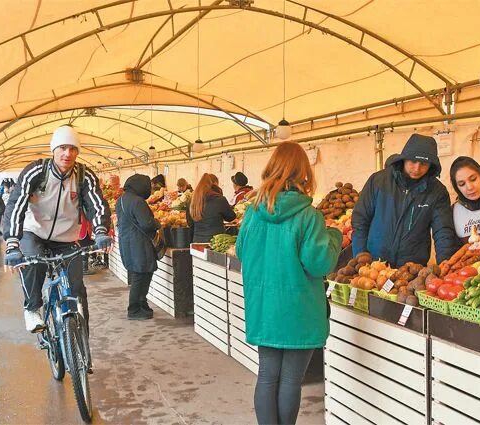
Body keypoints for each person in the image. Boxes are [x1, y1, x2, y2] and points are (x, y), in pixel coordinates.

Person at [236, 142, 342, 425]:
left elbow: (242, 253)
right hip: (299, 310)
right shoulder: (309, 216)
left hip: (263, 307)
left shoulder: (252, 213)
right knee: (291, 380)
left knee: (268, 374)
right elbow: (319, 263)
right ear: (303, 173)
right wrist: (334, 236)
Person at [2, 125, 112, 333]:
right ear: (53, 150)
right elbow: (16, 205)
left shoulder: (83, 176)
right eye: (62, 148)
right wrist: (12, 242)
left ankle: (82, 345)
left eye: (73, 149)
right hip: (33, 232)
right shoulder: (36, 171)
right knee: (33, 261)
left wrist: (100, 231)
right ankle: (32, 308)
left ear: (78, 152)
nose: (67, 154)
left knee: (77, 288)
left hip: (67, 238)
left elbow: (96, 204)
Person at [351, 133, 458, 267]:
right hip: (374, 266)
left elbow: (443, 231)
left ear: (431, 165)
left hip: (411, 270)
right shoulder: (379, 181)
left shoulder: (437, 192)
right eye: (413, 161)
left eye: (424, 163)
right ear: (404, 159)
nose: (417, 168)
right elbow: (360, 218)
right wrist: (360, 254)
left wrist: (445, 264)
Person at [116, 174, 160, 320]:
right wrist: (157, 223)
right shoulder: (138, 201)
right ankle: (134, 308)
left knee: (138, 274)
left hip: (127, 241)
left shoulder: (121, 199)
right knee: (141, 276)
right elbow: (146, 224)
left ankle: (142, 303)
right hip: (139, 243)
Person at [187, 173, 236, 243]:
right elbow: (231, 217)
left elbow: (190, 223)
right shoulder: (220, 199)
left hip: (197, 241)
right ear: (215, 184)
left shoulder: (192, 201)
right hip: (216, 241)